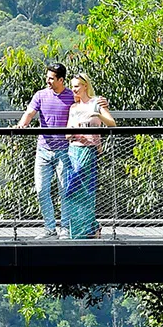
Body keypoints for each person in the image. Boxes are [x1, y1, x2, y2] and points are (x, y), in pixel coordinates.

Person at [15, 62, 75, 239]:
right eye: (47, 77)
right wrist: (21, 125)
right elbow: (29, 113)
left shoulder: (71, 96)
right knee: (41, 190)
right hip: (43, 150)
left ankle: (65, 228)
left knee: (65, 190)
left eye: (51, 78)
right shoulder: (40, 95)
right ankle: (49, 228)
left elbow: (85, 105)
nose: (47, 81)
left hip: (64, 150)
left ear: (61, 80)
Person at [65, 72, 115, 239]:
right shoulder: (74, 108)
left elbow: (111, 123)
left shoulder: (97, 103)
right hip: (74, 150)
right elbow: (67, 133)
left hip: (89, 151)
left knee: (86, 190)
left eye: (77, 86)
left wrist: (98, 115)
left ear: (85, 86)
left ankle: (88, 228)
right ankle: (86, 227)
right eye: (72, 87)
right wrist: (72, 133)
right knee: (73, 190)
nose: (74, 90)